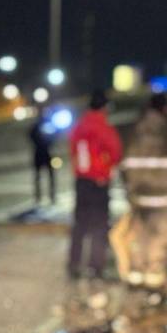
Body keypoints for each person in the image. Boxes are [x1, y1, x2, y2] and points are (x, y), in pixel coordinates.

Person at [116, 93, 167, 292]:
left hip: (139, 196)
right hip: (165, 198)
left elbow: (123, 166)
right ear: (165, 109)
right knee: (161, 237)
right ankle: (154, 280)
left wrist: (129, 191)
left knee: (141, 236)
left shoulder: (133, 131)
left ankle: (136, 274)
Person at [67, 90, 122, 279]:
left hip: (81, 181)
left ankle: (74, 265)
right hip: (99, 182)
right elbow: (115, 153)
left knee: (80, 224)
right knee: (99, 225)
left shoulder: (79, 127)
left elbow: (73, 150)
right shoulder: (104, 128)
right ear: (105, 107)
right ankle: (96, 266)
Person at [28, 109, 57, 205]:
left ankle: (50, 196)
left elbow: (54, 136)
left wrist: (48, 143)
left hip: (46, 152)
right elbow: (31, 136)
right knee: (38, 177)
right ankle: (39, 197)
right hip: (40, 152)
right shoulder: (36, 126)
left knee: (50, 175)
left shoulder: (48, 125)